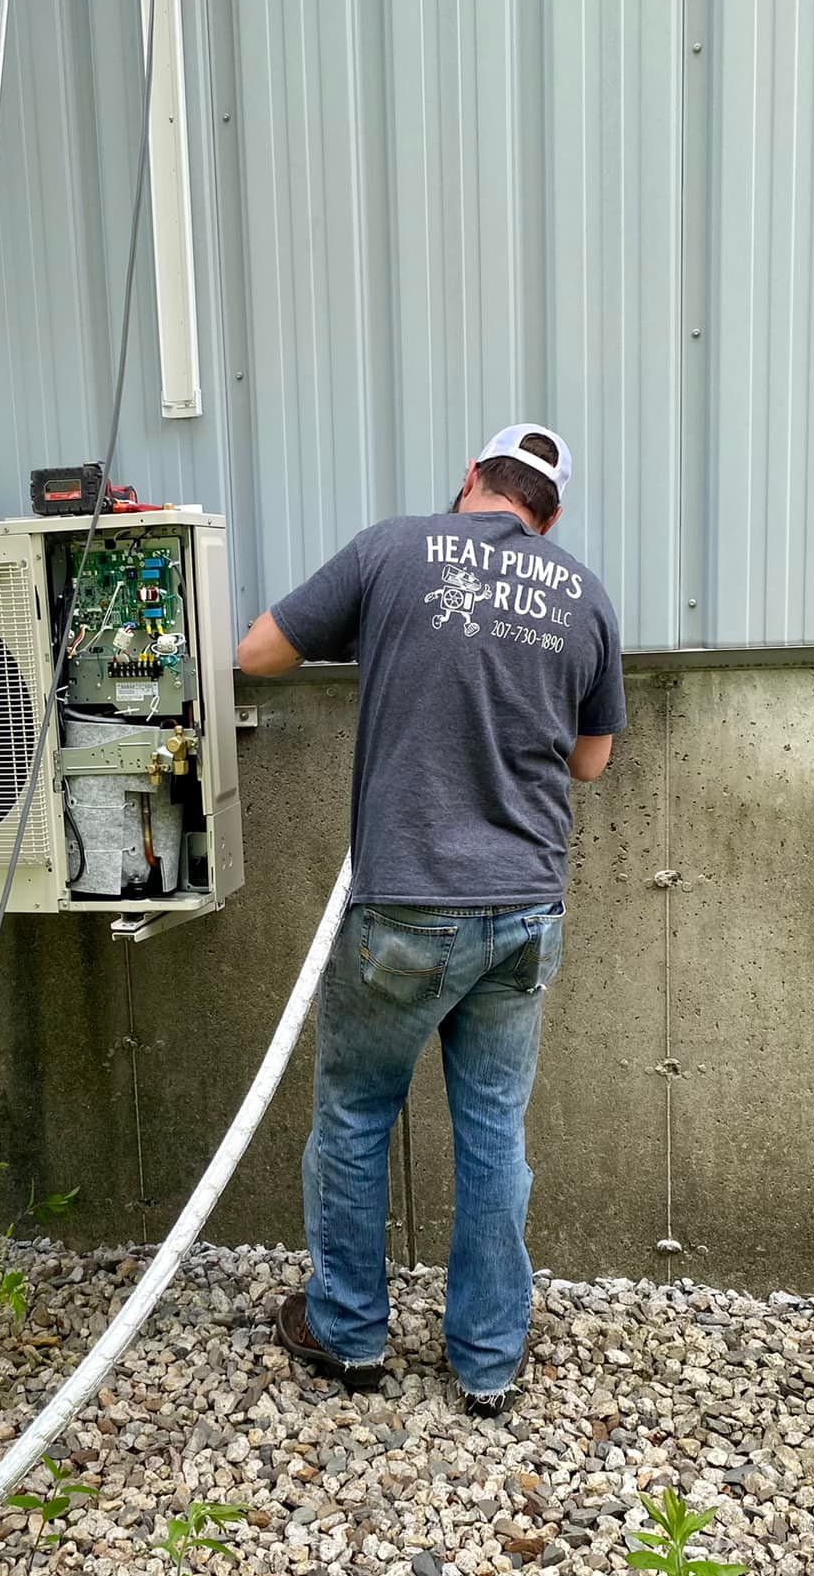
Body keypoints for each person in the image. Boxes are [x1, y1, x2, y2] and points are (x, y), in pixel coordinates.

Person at [236, 426, 625, 1419]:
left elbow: (257, 652)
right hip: (525, 906)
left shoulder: (390, 550)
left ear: (471, 480)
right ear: (552, 511)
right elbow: (590, 762)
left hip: (407, 903)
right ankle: (487, 1360)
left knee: (359, 1112)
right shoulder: (583, 593)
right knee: (494, 1130)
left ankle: (351, 1332)